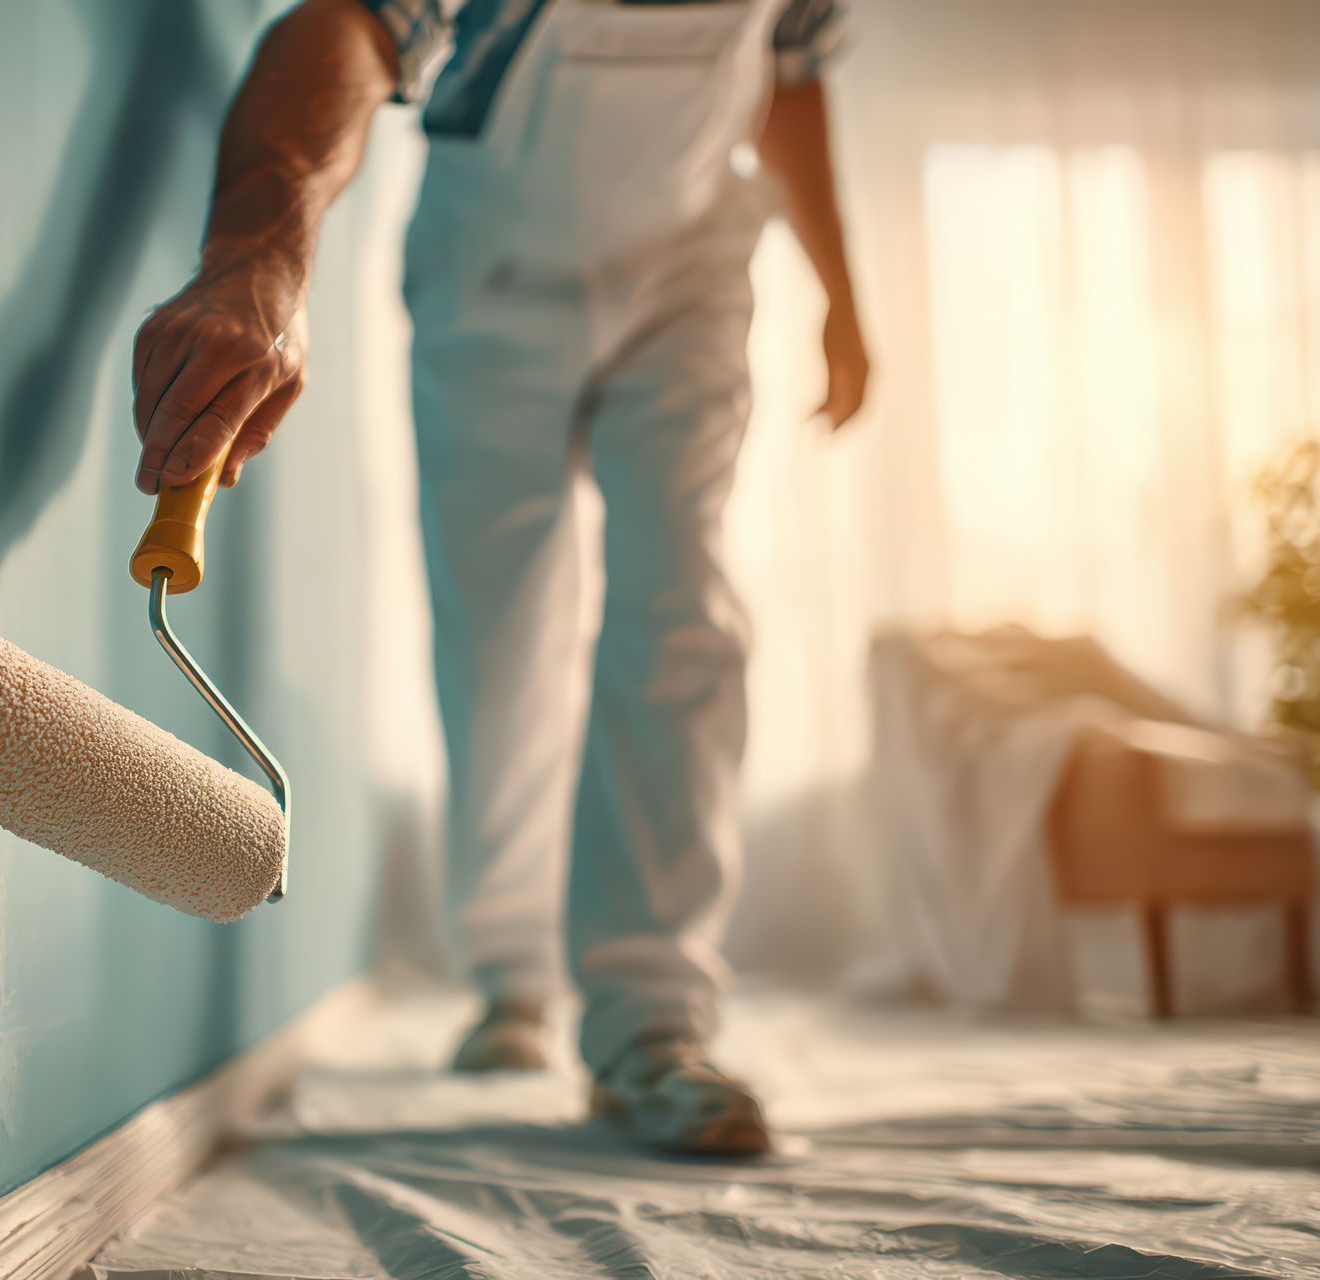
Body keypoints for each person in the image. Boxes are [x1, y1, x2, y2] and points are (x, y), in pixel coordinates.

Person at [130, 0, 868, 1157]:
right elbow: (348, 27)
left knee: (684, 609)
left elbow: (794, 71)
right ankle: (511, 972)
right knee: (502, 630)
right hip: (493, 269)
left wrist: (843, 293)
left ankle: (654, 1020)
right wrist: (256, 259)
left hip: (690, 266)